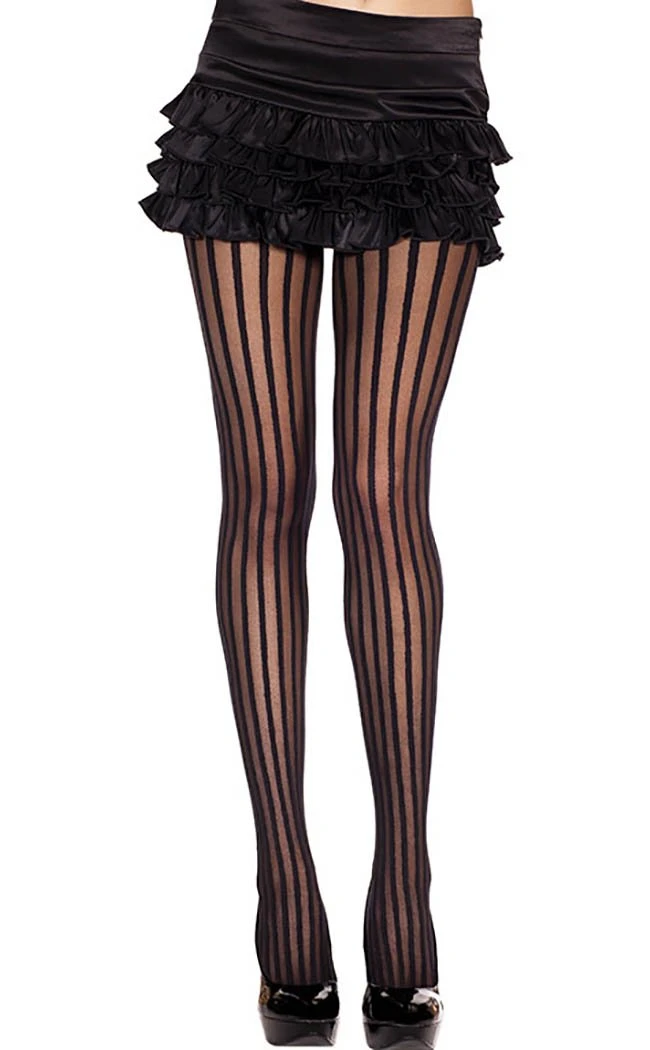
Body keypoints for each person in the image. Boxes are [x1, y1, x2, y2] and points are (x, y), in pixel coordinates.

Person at [138, 0, 511, 1044]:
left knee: (383, 492)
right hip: (255, 71)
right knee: (265, 486)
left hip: (423, 83)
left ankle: (404, 876)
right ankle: (284, 875)